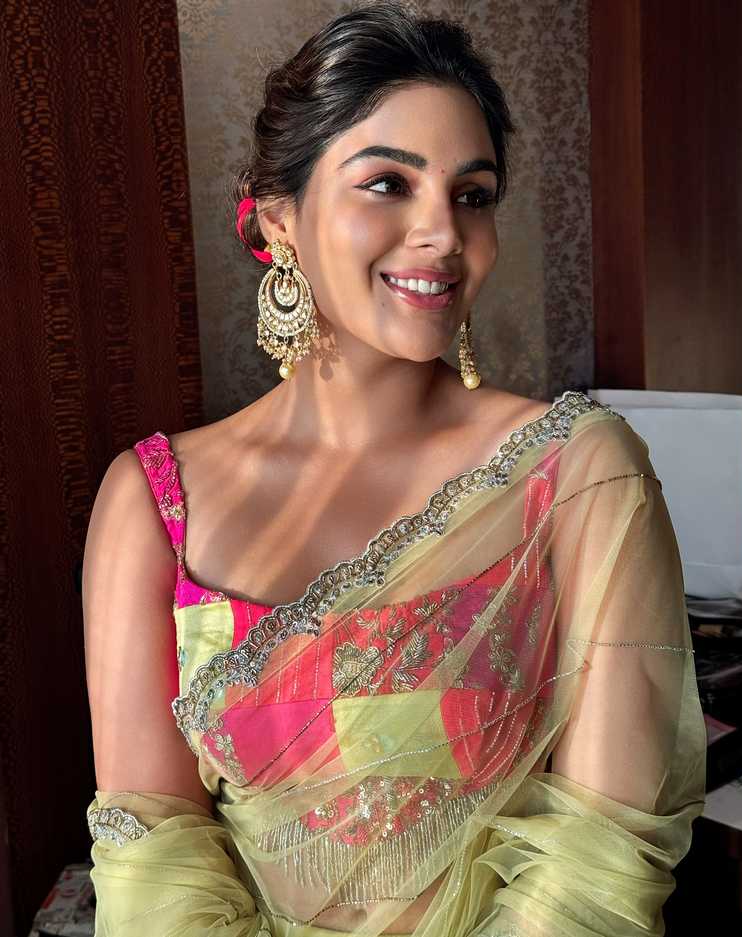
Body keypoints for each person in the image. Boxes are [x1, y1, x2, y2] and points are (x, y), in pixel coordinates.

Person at [82, 3, 706, 935]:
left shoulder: (578, 473)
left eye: (473, 194)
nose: (443, 233)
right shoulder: (153, 502)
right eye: (387, 183)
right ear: (279, 219)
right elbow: (154, 871)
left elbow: (598, 872)